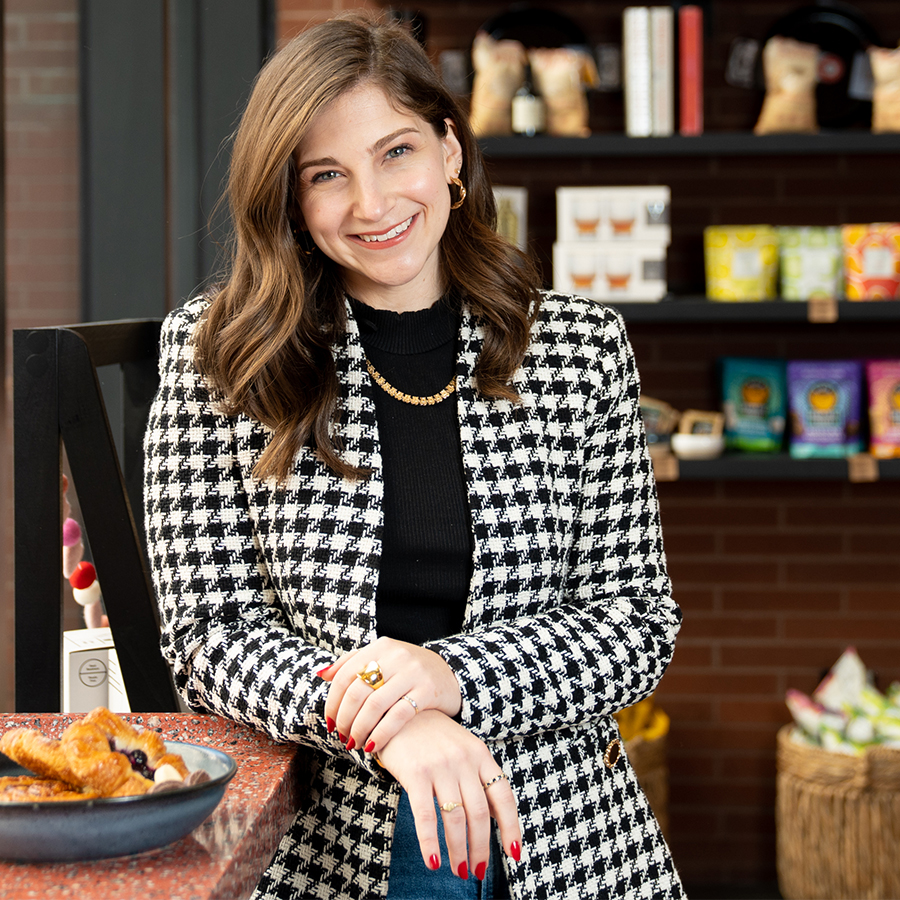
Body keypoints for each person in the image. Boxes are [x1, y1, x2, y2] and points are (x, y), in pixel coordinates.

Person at [144, 12, 684, 900]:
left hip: (561, 829)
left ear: (450, 153)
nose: (372, 203)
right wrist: (389, 724)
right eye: (328, 175)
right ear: (288, 198)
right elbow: (209, 637)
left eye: (396, 153)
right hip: (328, 832)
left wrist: (449, 680)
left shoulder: (579, 349)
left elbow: (634, 619)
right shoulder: (219, 355)